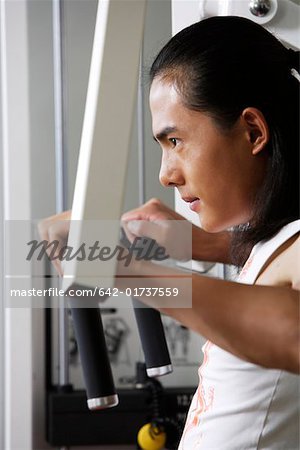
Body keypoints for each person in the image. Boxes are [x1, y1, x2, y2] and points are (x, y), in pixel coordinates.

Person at [39, 17, 300, 449]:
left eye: (175, 141)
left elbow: (291, 329)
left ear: (252, 132)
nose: (165, 175)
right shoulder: (274, 244)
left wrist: (126, 269)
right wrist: (202, 244)